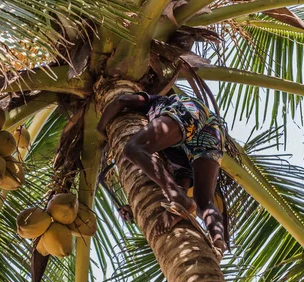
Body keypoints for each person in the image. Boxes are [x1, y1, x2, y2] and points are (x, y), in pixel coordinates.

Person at [97, 91, 227, 254]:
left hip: (188, 110)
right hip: (214, 131)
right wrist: (135, 208)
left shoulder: (152, 101)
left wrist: (101, 129)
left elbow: (121, 100)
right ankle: (218, 241)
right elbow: (182, 180)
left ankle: (177, 199)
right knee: (204, 201)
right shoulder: (169, 151)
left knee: (133, 148)